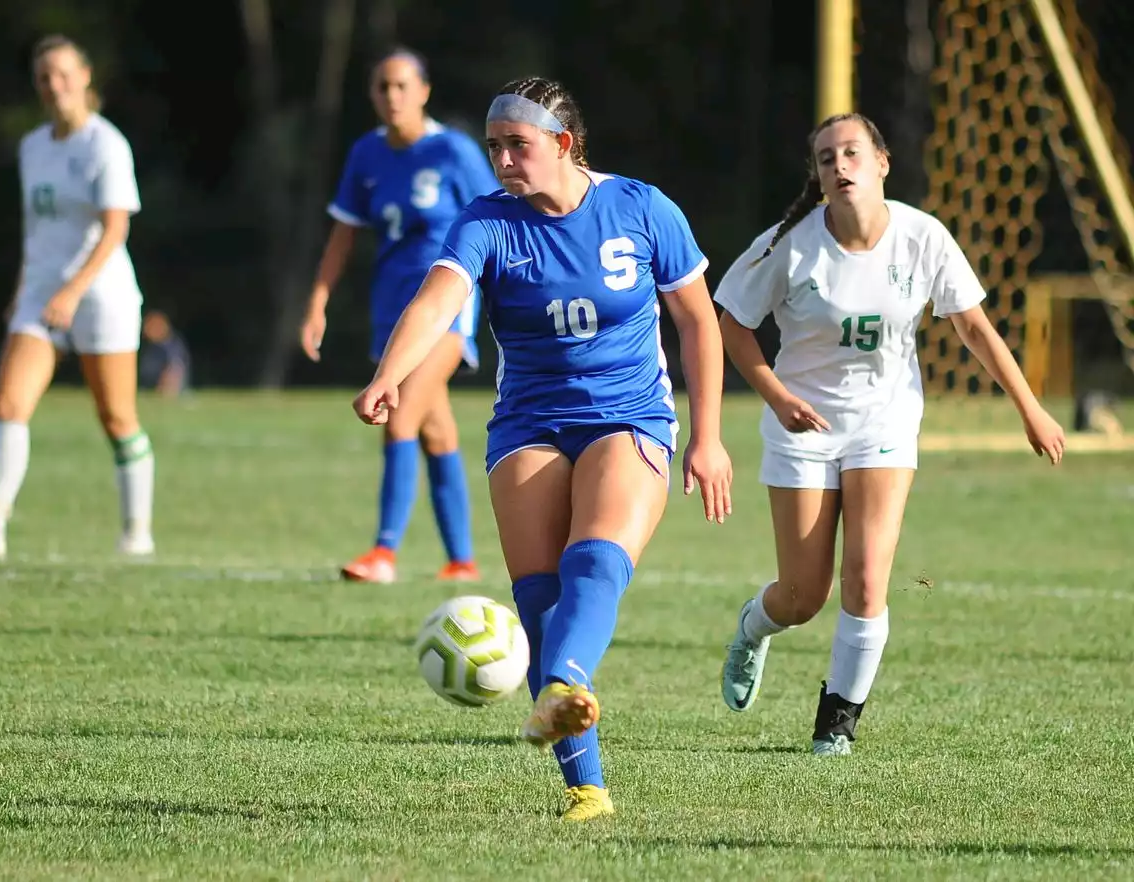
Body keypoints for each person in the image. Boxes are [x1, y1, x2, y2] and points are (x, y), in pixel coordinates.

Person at [353, 77, 733, 821]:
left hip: (630, 415)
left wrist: (710, 437)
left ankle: (561, 680)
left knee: (593, 561)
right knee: (538, 603)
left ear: (564, 143)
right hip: (528, 422)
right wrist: (387, 375)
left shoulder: (643, 208)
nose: (500, 160)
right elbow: (436, 299)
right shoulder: (487, 221)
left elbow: (697, 322)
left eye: (515, 145)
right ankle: (586, 790)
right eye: (493, 146)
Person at [713, 112, 1067, 756]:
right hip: (803, 426)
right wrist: (777, 395)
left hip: (884, 420)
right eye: (825, 158)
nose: (839, 165)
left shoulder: (922, 237)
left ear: (881, 162)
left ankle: (835, 728)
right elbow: (731, 321)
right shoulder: (789, 243)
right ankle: (754, 626)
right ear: (817, 176)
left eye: (851, 152)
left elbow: (975, 329)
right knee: (802, 597)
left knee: (868, 578)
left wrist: (1030, 409)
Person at [0, 34, 155, 560]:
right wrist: (23, 291)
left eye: (63, 74)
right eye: (43, 78)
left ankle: (136, 532)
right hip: (41, 295)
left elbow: (115, 228)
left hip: (101, 296)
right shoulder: (33, 147)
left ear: (85, 77)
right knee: (9, 402)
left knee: (117, 416)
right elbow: (38, 231)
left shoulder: (105, 145)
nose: (54, 86)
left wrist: (74, 291)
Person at [302, 48, 500, 584]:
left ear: (424, 91)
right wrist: (318, 300)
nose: (392, 97)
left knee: (401, 412)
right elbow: (345, 231)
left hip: (447, 311)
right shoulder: (366, 154)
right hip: (392, 310)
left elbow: (502, 218)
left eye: (402, 86)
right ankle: (461, 561)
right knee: (436, 432)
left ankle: (383, 553)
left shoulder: (453, 152)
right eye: (382, 87)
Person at [139, 309, 191, 397]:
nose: (146, 329)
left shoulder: (172, 346)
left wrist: (165, 391)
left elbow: (175, 371)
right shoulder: (151, 346)